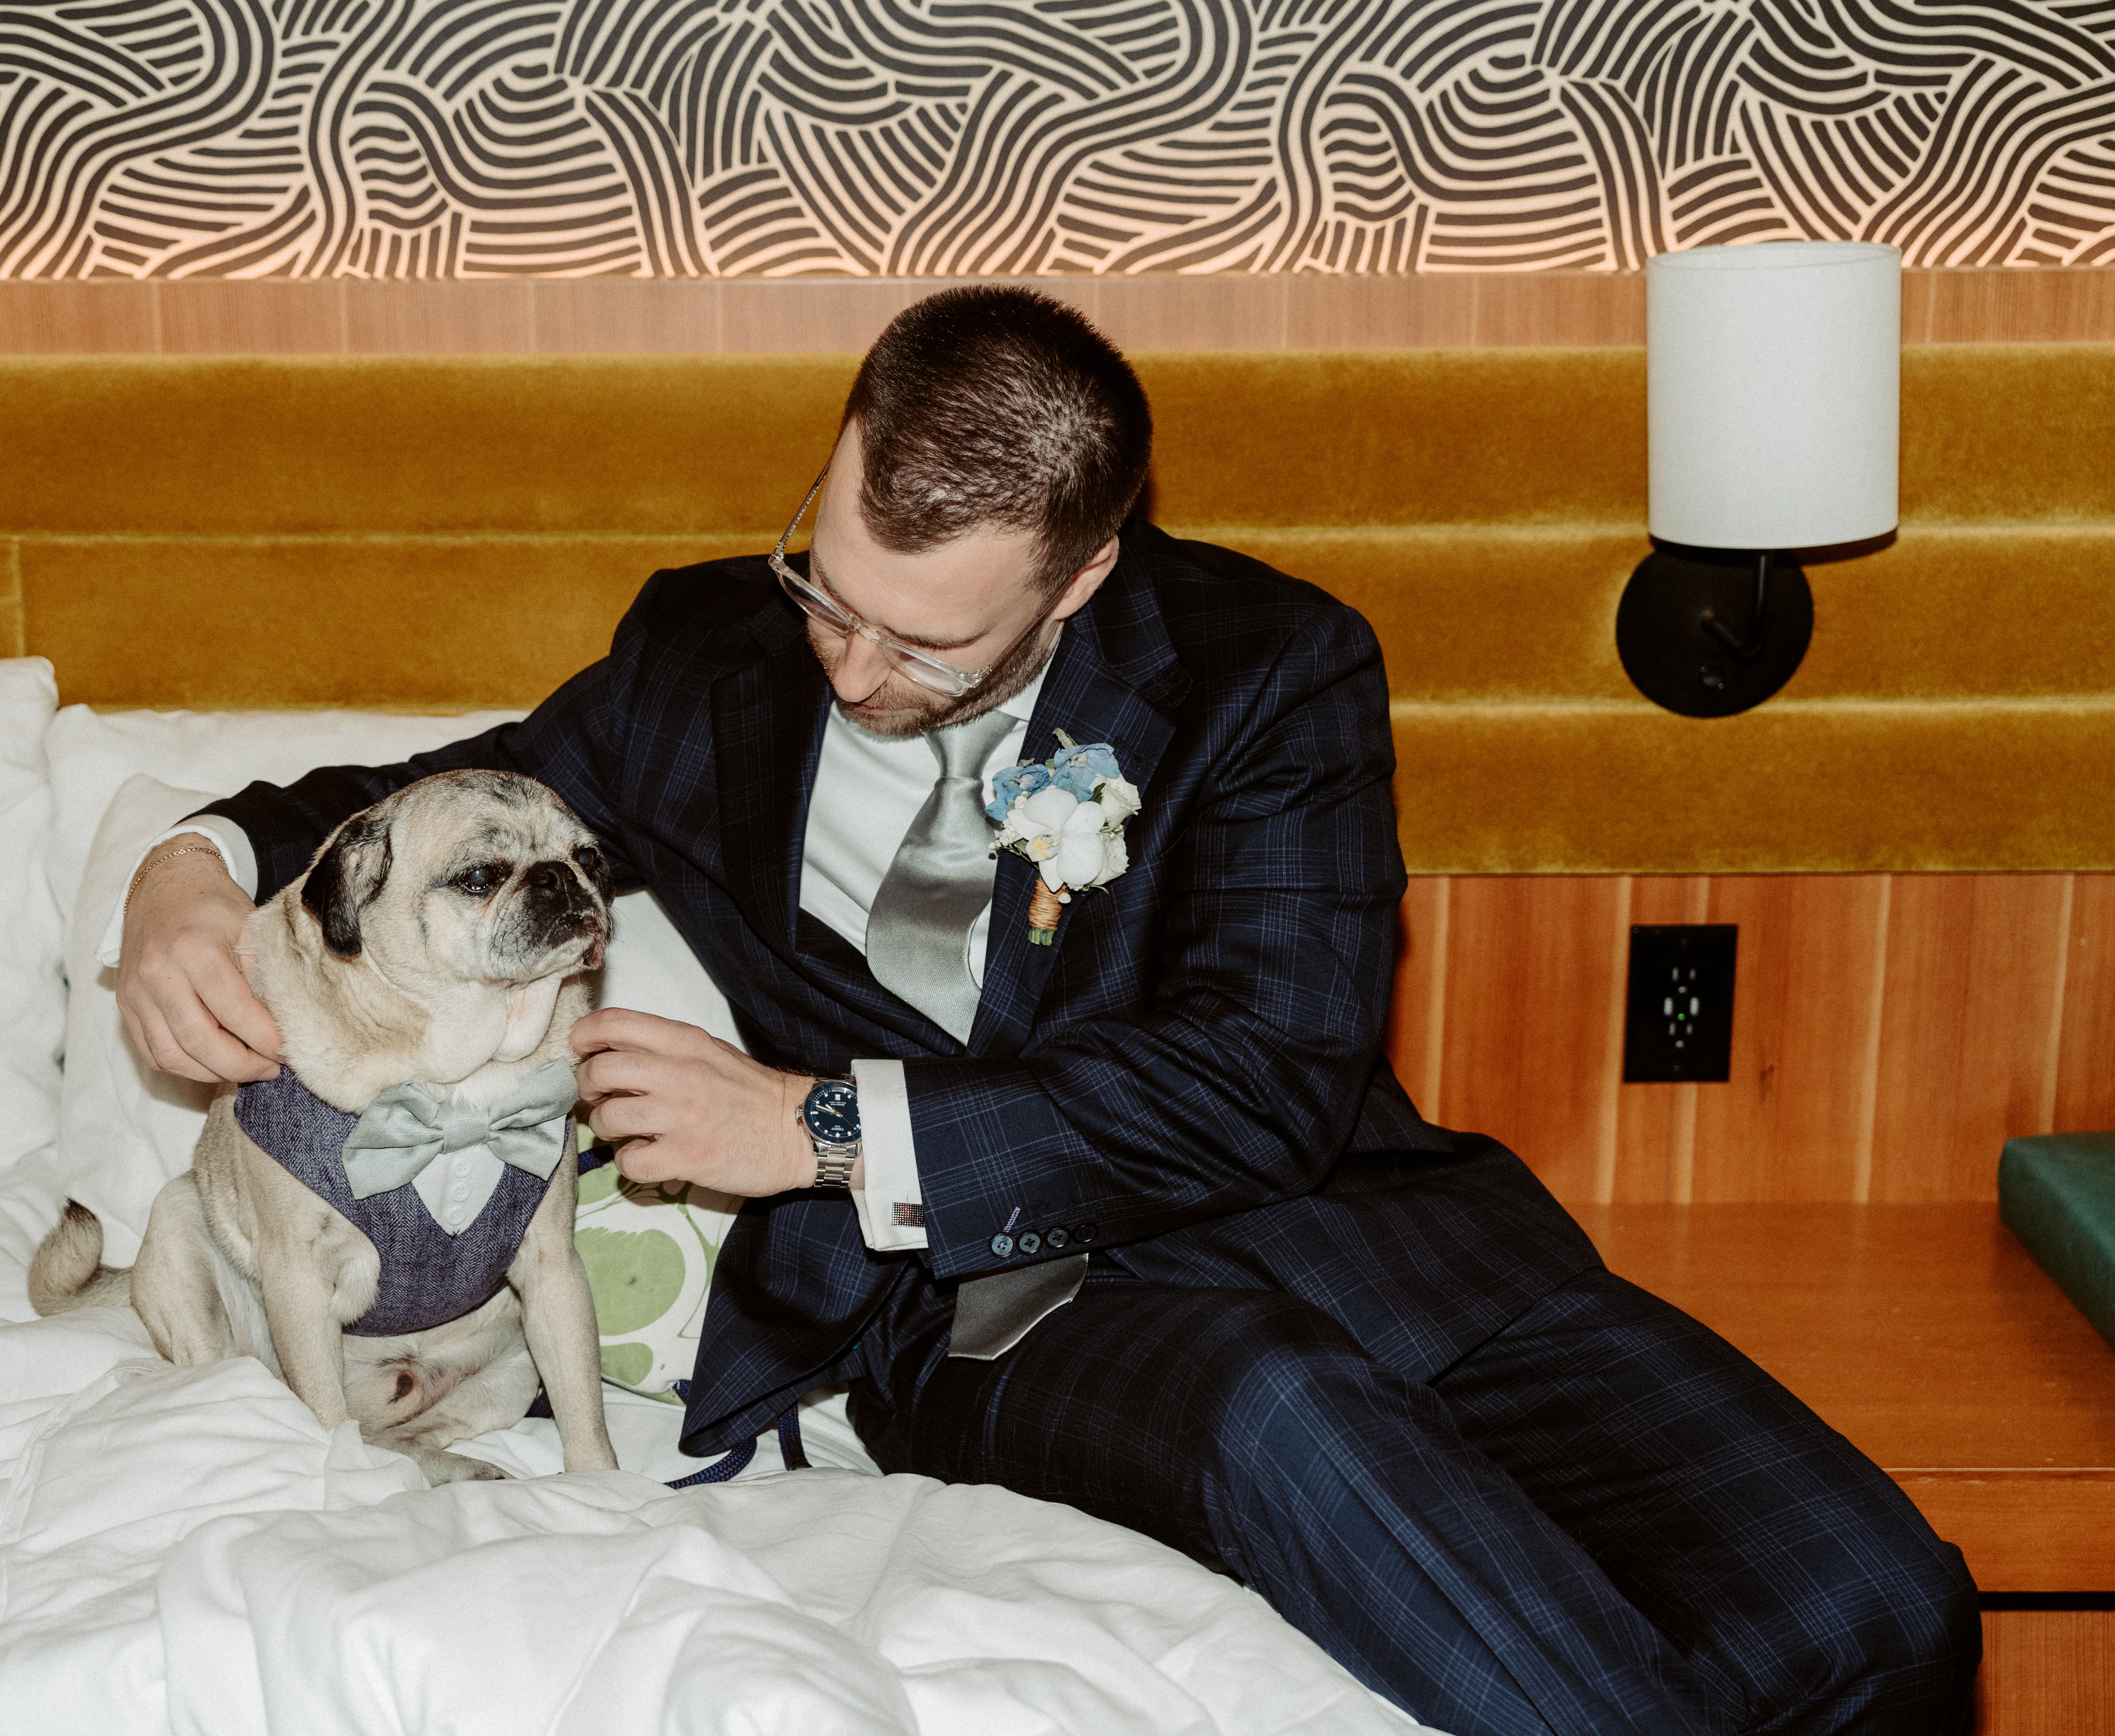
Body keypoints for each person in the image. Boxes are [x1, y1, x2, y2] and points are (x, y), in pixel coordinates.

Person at [113, 286, 1978, 1734]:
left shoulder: (1271, 672)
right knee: (1283, 1418)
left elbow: (1270, 1078)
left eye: (924, 644)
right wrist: (191, 863)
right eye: (825, 585)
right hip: (988, 1310)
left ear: (1082, 575)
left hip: (1371, 1237)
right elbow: (467, 783)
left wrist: (816, 1125)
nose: (848, 665)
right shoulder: (708, 655)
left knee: (1882, 1599)